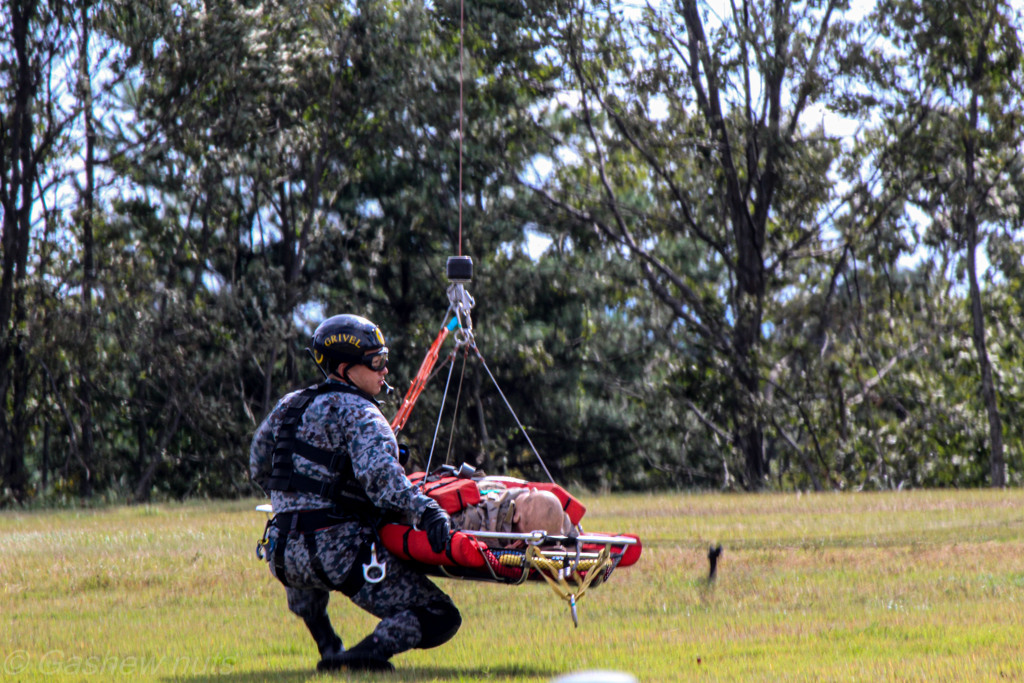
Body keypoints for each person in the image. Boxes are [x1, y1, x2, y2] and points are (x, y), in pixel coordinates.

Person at [250, 314, 461, 672]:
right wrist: (427, 511)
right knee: (440, 615)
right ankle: (363, 655)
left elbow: (259, 467)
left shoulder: (288, 405)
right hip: (340, 553)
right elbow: (382, 480)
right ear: (346, 368)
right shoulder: (363, 413)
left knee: (307, 576)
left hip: (283, 553)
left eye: (384, 360)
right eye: (376, 362)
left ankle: (329, 647)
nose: (384, 371)